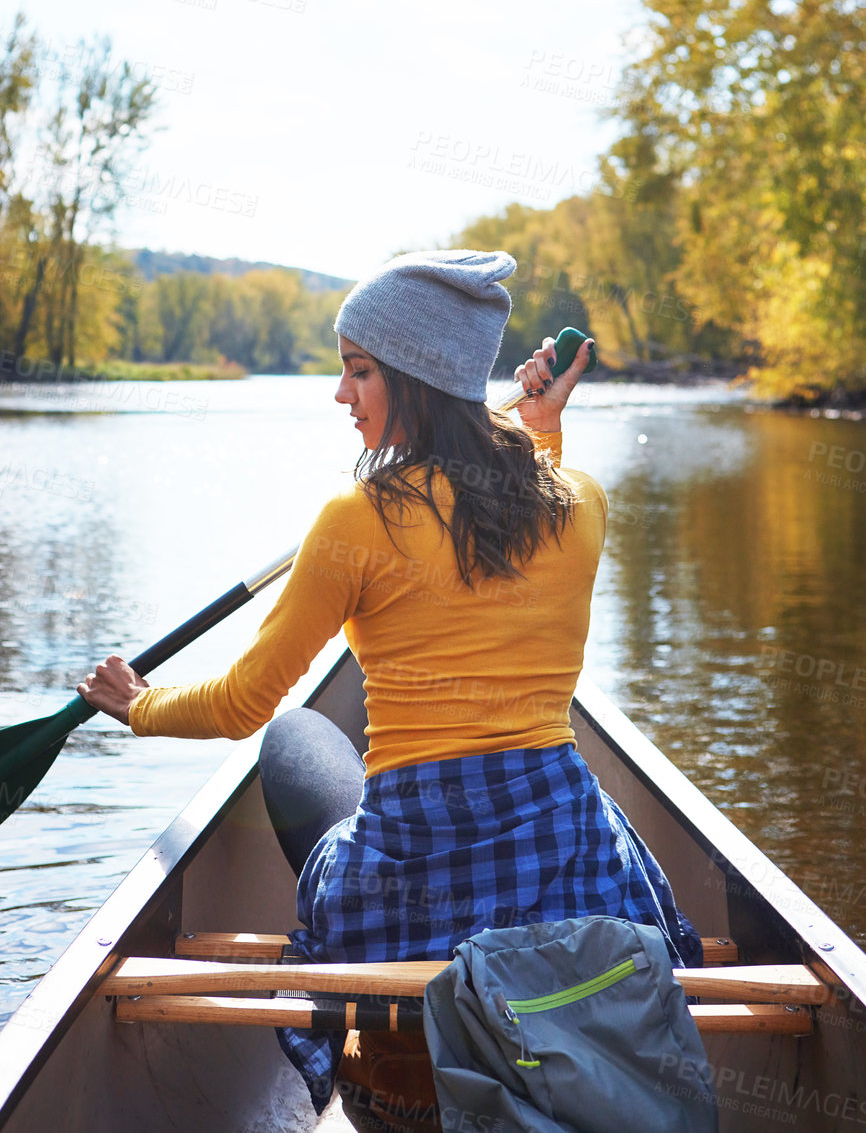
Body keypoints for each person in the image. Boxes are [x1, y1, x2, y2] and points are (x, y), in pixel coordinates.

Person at [78, 250, 701, 1125]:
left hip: (417, 868)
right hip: (566, 851)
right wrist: (536, 427)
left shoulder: (353, 518)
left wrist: (137, 705)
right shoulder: (580, 502)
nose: (342, 397)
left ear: (414, 374)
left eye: (359, 371)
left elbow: (240, 706)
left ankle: (398, 1062)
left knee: (294, 736)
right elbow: (528, 489)